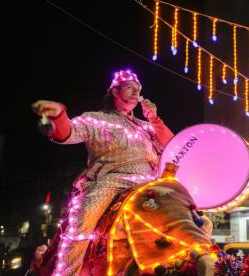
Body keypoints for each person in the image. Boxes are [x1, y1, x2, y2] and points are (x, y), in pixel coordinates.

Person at [31, 69, 174, 275]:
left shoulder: (146, 126)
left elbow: (172, 146)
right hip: (109, 181)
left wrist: (155, 119)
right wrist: (59, 114)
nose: (136, 93)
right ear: (115, 91)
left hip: (149, 183)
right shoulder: (95, 119)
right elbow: (68, 133)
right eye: (130, 88)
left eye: (139, 89)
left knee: (184, 213)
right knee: (81, 224)